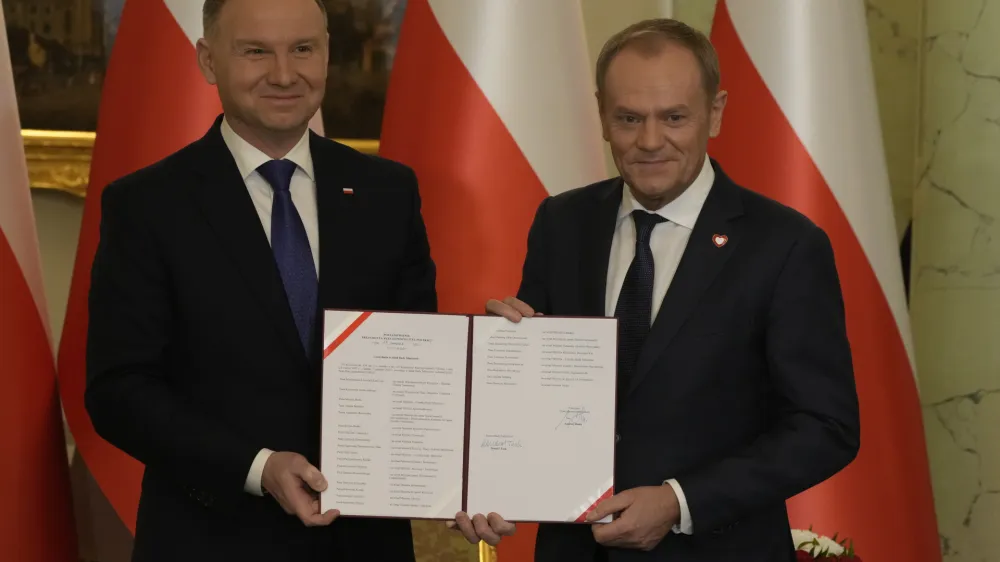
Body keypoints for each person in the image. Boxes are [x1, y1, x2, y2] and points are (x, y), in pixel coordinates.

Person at [84, 0, 508, 560]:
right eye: (255, 51)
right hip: (212, 539)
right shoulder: (147, 205)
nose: (284, 74)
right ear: (208, 61)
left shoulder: (387, 193)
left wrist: (504, 361)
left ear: (327, 54)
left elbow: (418, 365)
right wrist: (258, 468)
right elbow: (119, 392)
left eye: (303, 49)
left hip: (363, 544)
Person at [486, 18, 860, 562]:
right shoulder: (561, 223)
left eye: (674, 117)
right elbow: (546, 400)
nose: (650, 141)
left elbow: (825, 426)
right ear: (602, 114)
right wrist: (500, 362)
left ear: (716, 112)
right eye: (629, 118)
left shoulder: (785, 246)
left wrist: (681, 502)